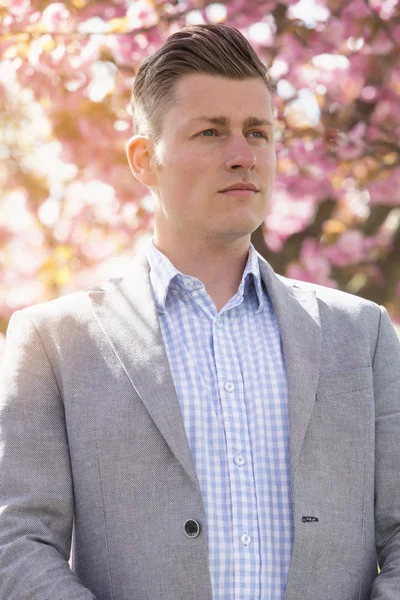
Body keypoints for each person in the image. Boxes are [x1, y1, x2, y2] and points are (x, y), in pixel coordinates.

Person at [0, 23, 399, 600]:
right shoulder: (55, 342)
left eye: (257, 132)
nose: (243, 155)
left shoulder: (361, 334)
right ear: (143, 159)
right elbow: (16, 540)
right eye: (211, 132)